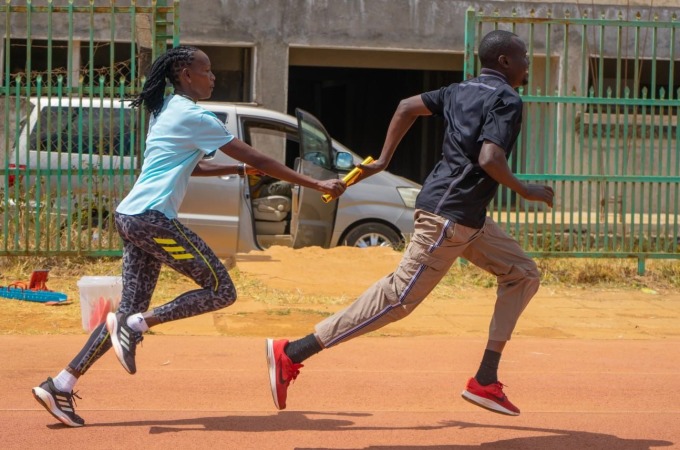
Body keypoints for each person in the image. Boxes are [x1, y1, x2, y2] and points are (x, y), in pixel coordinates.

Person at [31, 45, 346, 427]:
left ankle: (61, 384)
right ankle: (136, 325)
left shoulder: (168, 110)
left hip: (131, 217)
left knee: (127, 315)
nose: (213, 77)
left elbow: (189, 168)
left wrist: (231, 172)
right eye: (207, 70)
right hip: (151, 218)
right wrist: (315, 182)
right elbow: (259, 157)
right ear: (185, 75)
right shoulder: (196, 115)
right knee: (221, 290)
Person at [265, 29, 554, 415]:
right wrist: (525, 189)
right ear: (504, 62)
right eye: (523, 58)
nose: (527, 65)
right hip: (448, 218)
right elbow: (489, 158)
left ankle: (485, 379)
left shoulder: (457, 90)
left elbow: (405, 106)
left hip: (464, 217)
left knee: (522, 273)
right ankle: (293, 352)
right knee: (398, 299)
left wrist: (384, 159)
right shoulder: (507, 98)